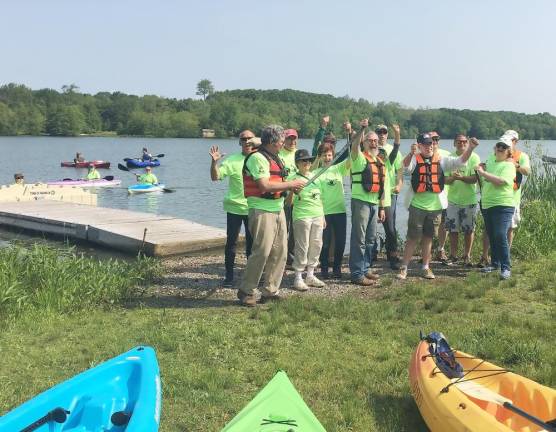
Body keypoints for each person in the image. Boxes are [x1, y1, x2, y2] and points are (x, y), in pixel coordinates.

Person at [238, 125, 306, 307]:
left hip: (278, 209)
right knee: (261, 251)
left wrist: (291, 186)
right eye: (281, 140)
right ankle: (246, 290)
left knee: (280, 251)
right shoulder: (257, 158)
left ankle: (270, 290)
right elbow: (264, 186)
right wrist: (291, 184)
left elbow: (265, 141)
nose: (284, 143)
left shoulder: (275, 156)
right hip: (261, 210)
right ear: (274, 142)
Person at [397, 133, 478, 280]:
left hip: (435, 207)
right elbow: (405, 168)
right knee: (412, 238)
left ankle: (426, 267)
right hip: (417, 205)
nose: (429, 146)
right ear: (419, 145)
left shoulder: (441, 160)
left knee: (428, 238)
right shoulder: (414, 159)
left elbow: (460, 161)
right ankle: (404, 267)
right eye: (426, 144)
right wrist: (411, 153)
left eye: (431, 143)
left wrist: (470, 148)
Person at [209, 130, 257, 287]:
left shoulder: (260, 159)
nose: (247, 141)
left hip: (253, 207)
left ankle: (251, 277)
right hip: (235, 208)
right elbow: (215, 177)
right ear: (240, 142)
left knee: (253, 244)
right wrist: (214, 163)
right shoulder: (233, 160)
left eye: (250, 138)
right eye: (244, 139)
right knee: (232, 243)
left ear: (255, 140)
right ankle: (229, 277)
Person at [348, 119, 387, 286]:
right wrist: (361, 129)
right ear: (364, 142)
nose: (373, 143)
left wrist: (382, 207)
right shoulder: (358, 157)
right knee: (359, 238)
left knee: (371, 239)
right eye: (370, 140)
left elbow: (382, 187)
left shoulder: (379, 161)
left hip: (374, 203)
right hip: (361, 202)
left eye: (375, 141)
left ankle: (365, 268)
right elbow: (354, 144)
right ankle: (357, 274)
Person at [475, 136, 516, 279]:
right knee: (492, 235)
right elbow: (485, 171)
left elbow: (500, 181)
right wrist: (481, 167)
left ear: (508, 151)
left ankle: (506, 267)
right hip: (487, 204)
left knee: (500, 234)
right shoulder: (491, 160)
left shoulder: (509, 165)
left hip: (503, 205)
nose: (500, 148)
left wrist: (483, 173)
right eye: (498, 146)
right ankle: (494, 264)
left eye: (503, 147)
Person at [286, 149, 326, 291]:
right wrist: (292, 190)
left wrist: (323, 216)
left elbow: (320, 197)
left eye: (309, 160)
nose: (307, 163)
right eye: (304, 160)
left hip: (318, 214)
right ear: (297, 163)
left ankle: (310, 275)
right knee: (302, 246)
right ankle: (298, 277)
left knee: (316, 244)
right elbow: (288, 203)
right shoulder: (292, 177)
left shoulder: (315, 176)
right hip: (302, 215)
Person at [444, 134, 481, 266]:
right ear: (454, 143)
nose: (462, 144)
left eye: (465, 141)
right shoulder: (450, 158)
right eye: (459, 142)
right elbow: (445, 180)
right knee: (453, 230)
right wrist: (453, 178)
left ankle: (467, 256)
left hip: (469, 200)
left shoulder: (474, 157)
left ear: (468, 143)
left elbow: (474, 179)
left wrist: (461, 178)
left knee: (469, 230)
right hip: (453, 200)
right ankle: (453, 255)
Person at [375, 124, 403, 269]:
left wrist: (397, 133)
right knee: (370, 227)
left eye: (384, 132)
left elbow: (399, 170)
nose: (381, 134)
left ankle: (392, 256)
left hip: (388, 194)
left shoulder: (391, 155)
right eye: (378, 132)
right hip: (372, 196)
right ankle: (371, 254)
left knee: (390, 228)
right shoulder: (368, 153)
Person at [429, 131, 452, 265]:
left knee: (444, 224)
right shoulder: (422, 154)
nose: (434, 142)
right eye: (431, 139)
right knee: (428, 225)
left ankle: (441, 250)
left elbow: (450, 178)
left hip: (443, 196)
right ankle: (428, 252)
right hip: (427, 198)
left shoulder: (446, 155)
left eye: (436, 139)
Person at [279, 129, 299, 266]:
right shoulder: (279, 154)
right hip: (284, 197)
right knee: (283, 229)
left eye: (294, 138)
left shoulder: (299, 154)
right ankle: (280, 257)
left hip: (298, 197)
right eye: (289, 139)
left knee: (295, 229)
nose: (292, 141)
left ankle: (290, 256)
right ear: (283, 140)